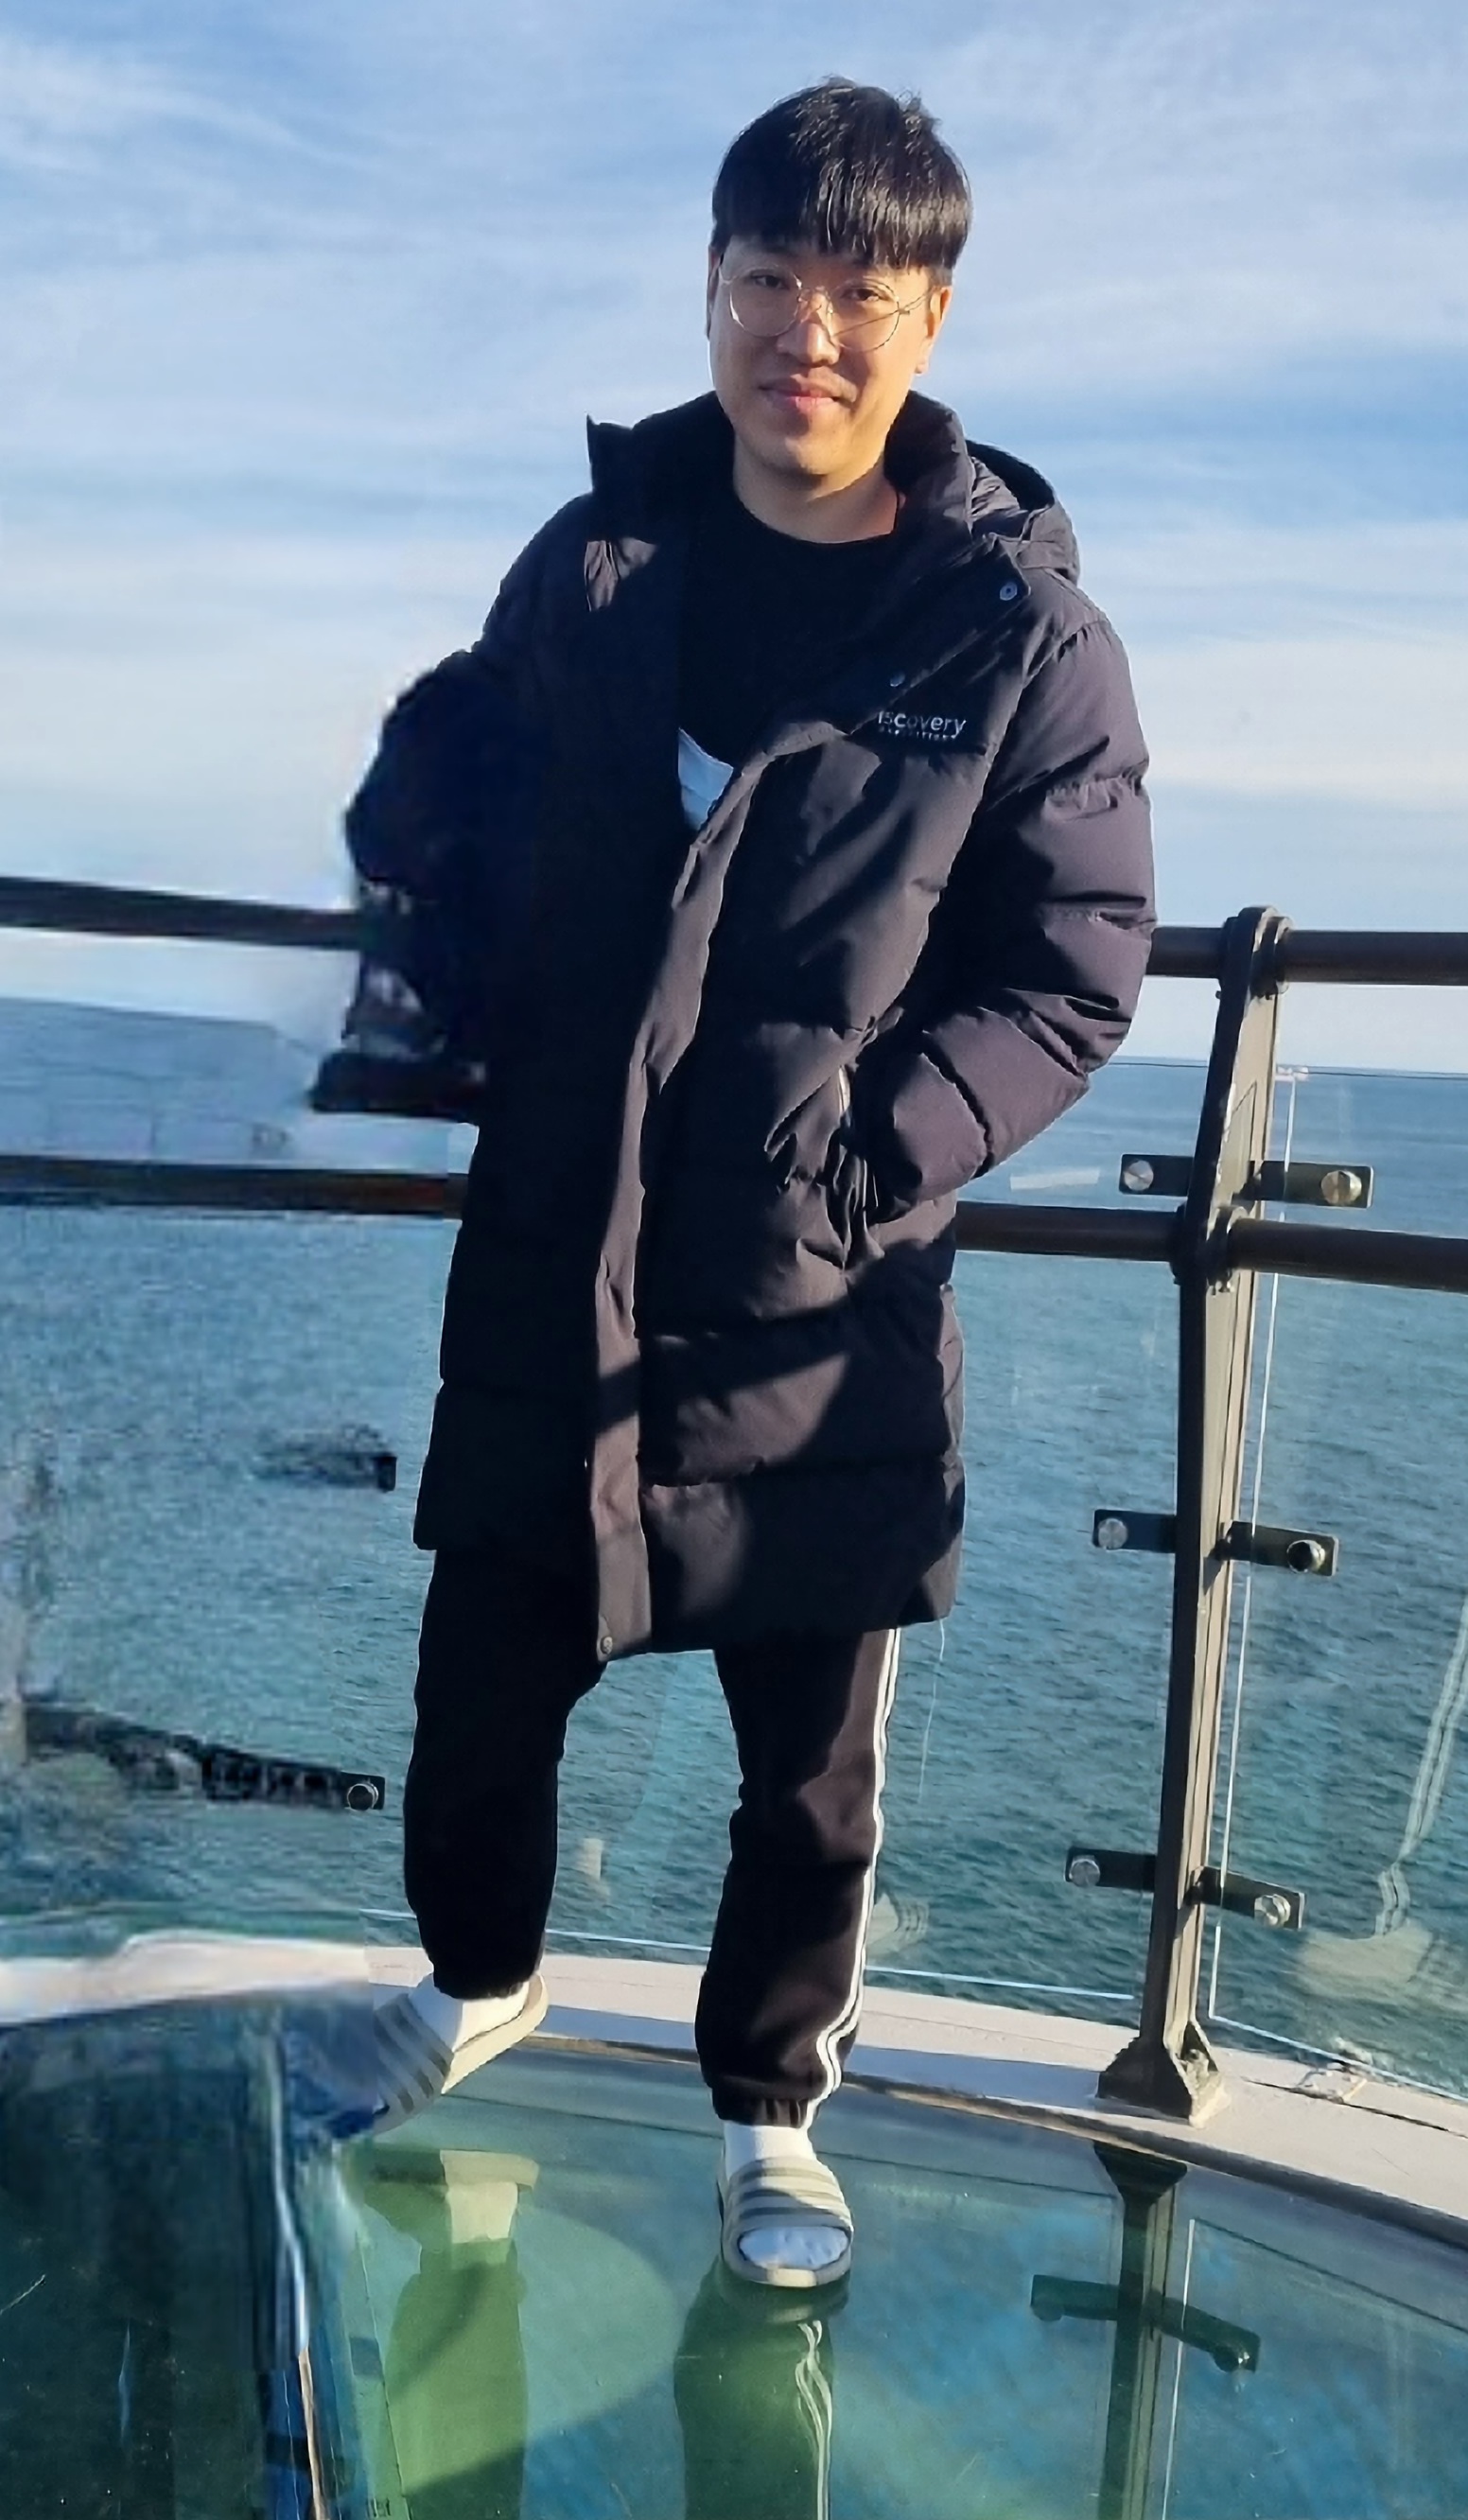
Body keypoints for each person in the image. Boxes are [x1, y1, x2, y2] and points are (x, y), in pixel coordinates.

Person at [356, 79, 1154, 2286]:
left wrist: (863, 1163)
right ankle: (476, 1981)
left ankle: (768, 2114)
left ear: (928, 320)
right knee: (478, 1678)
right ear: (706, 291)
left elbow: (1072, 973)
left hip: (816, 1289)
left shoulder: (1015, 633)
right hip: (561, 1240)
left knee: (807, 1760)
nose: (805, 328)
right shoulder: (590, 561)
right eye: (764, 279)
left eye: (857, 292)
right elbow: (478, 809)